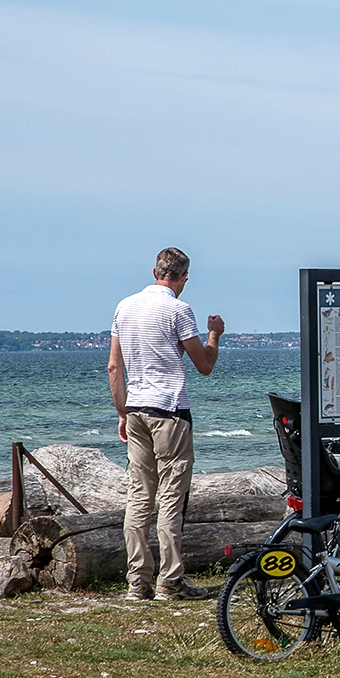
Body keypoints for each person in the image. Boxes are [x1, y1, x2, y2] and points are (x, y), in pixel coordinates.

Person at [108, 247, 224, 601]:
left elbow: (115, 367)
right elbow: (204, 364)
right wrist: (215, 334)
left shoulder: (123, 307)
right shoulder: (178, 309)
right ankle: (170, 581)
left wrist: (122, 412)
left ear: (155, 271)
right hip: (170, 409)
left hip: (137, 407)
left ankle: (136, 580)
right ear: (182, 277)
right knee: (172, 495)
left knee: (139, 495)